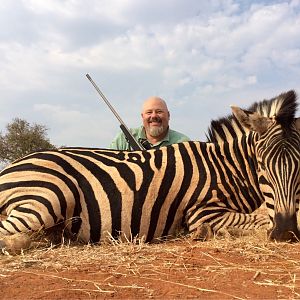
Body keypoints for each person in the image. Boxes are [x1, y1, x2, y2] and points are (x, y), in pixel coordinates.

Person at [109, 96, 190, 150]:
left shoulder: (184, 143)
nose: (154, 116)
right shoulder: (123, 138)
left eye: (159, 111)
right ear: (142, 117)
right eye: (149, 112)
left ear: (168, 115)